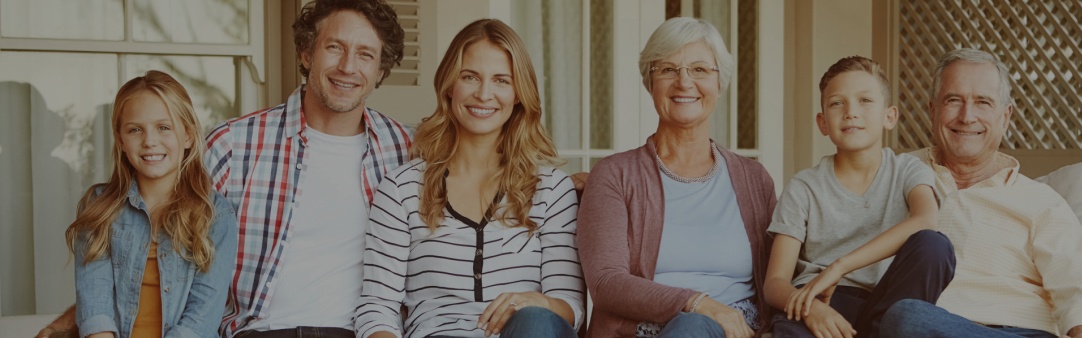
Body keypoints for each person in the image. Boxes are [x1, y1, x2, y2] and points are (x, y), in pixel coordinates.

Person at [353, 19, 583, 338]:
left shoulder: (553, 189)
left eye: (502, 80)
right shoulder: (401, 188)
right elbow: (377, 306)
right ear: (449, 85)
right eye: (470, 77)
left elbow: (571, 306)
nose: (484, 94)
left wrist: (537, 302)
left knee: (537, 320)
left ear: (519, 93)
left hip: (527, 333)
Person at [202, 0, 415, 337]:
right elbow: (176, 257)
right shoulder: (232, 144)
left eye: (365, 54)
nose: (348, 66)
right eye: (334, 47)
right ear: (305, 54)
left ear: (381, 70)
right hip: (259, 332)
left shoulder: (408, 150)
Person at [877, 48, 1082, 338]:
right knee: (906, 317)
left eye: (983, 103)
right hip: (924, 329)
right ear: (933, 110)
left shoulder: (1042, 201)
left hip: (1018, 332)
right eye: (954, 100)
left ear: (1005, 117)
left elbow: (1079, 293)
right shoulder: (895, 174)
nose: (967, 116)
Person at [577, 17, 776, 338]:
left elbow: (775, 279)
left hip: (738, 332)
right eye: (668, 69)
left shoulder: (755, 180)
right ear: (650, 82)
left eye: (700, 69)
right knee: (691, 326)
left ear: (719, 83)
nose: (684, 82)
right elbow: (606, 283)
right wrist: (698, 304)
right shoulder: (614, 175)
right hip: (642, 332)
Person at [763, 56, 953, 338]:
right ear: (823, 122)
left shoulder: (907, 171)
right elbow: (774, 283)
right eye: (837, 103)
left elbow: (926, 220)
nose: (851, 112)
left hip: (887, 306)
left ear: (890, 117)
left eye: (865, 100)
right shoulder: (804, 186)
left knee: (935, 245)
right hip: (820, 304)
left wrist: (839, 266)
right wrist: (811, 309)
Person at [67, 70, 237, 338]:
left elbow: (202, 317)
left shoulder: (216, 215)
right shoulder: (99, 207)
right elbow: (95, 304)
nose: (149, 141)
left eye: (164, 127)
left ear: (189, 136)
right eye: (135, 129)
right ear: (121, 140)